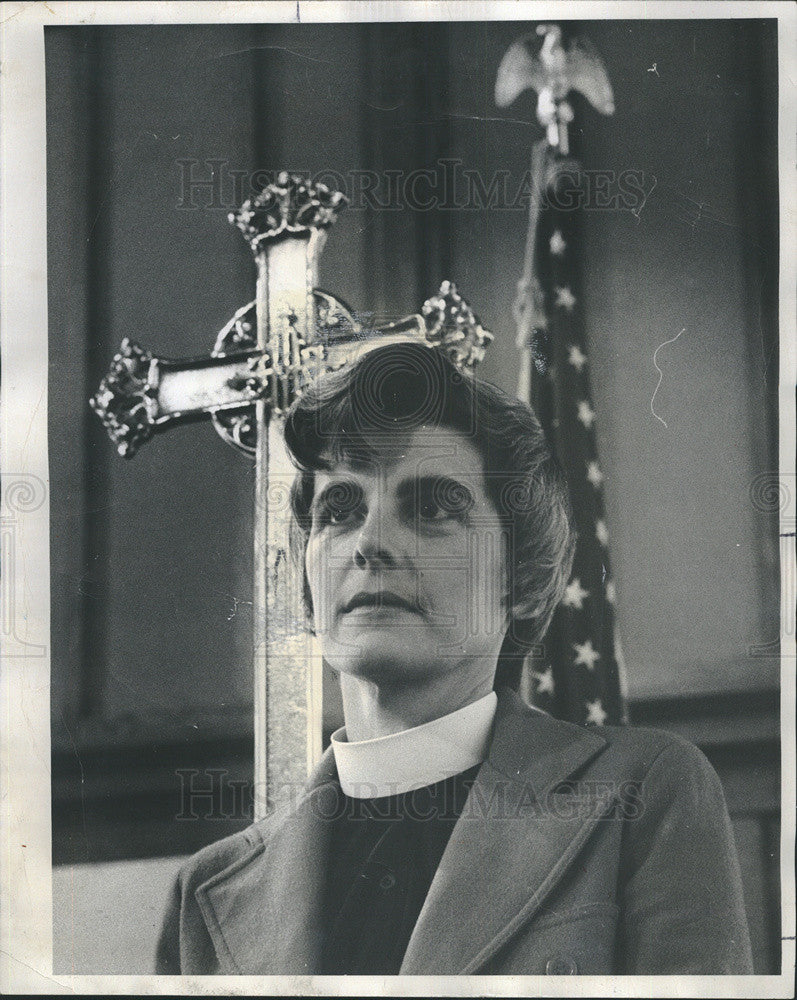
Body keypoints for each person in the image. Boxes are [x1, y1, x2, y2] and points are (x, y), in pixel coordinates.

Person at [155, 342, 753, 976]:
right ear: (307, 583)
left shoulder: (643, 794)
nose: (370, 542)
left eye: (433, 508)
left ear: (520, 578)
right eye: (339, 510)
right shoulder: (205, 892)